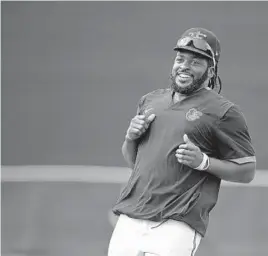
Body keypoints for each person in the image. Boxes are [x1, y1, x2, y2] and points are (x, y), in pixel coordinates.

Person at [108, 27, 256, 256]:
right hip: (131, 216)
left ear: (211, 70)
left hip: (176, 223)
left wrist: (203, 162)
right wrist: (130, 137)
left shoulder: (224, 111)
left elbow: (247, 171)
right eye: (180, 59)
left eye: (196, 62)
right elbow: (134, 163)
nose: (185, 66)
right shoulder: (151, 101)